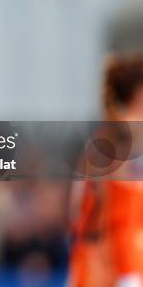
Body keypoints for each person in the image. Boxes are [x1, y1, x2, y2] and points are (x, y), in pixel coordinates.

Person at [68, 54, 143, 287]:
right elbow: (120, 220)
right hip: (109, 269)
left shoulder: (108, 137)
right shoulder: (122, 140)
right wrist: (129, 277)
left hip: (98, 265)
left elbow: (75, 212)